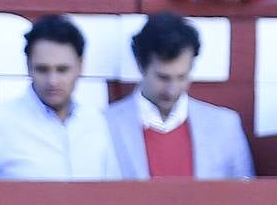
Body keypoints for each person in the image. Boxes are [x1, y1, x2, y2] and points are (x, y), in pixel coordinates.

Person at [0, 15, 118, 181]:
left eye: (62, 70)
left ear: (81, 65)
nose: (53, 81)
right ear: (28, 66)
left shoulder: (97, 123)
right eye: (42, 69)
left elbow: (116, 196)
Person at [105, 13, 254, 179]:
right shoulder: (106, 125)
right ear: (141, 66)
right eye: (163, 77)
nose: (172, 90)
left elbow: (245, 198)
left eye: (182, 77)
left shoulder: (225, 126)